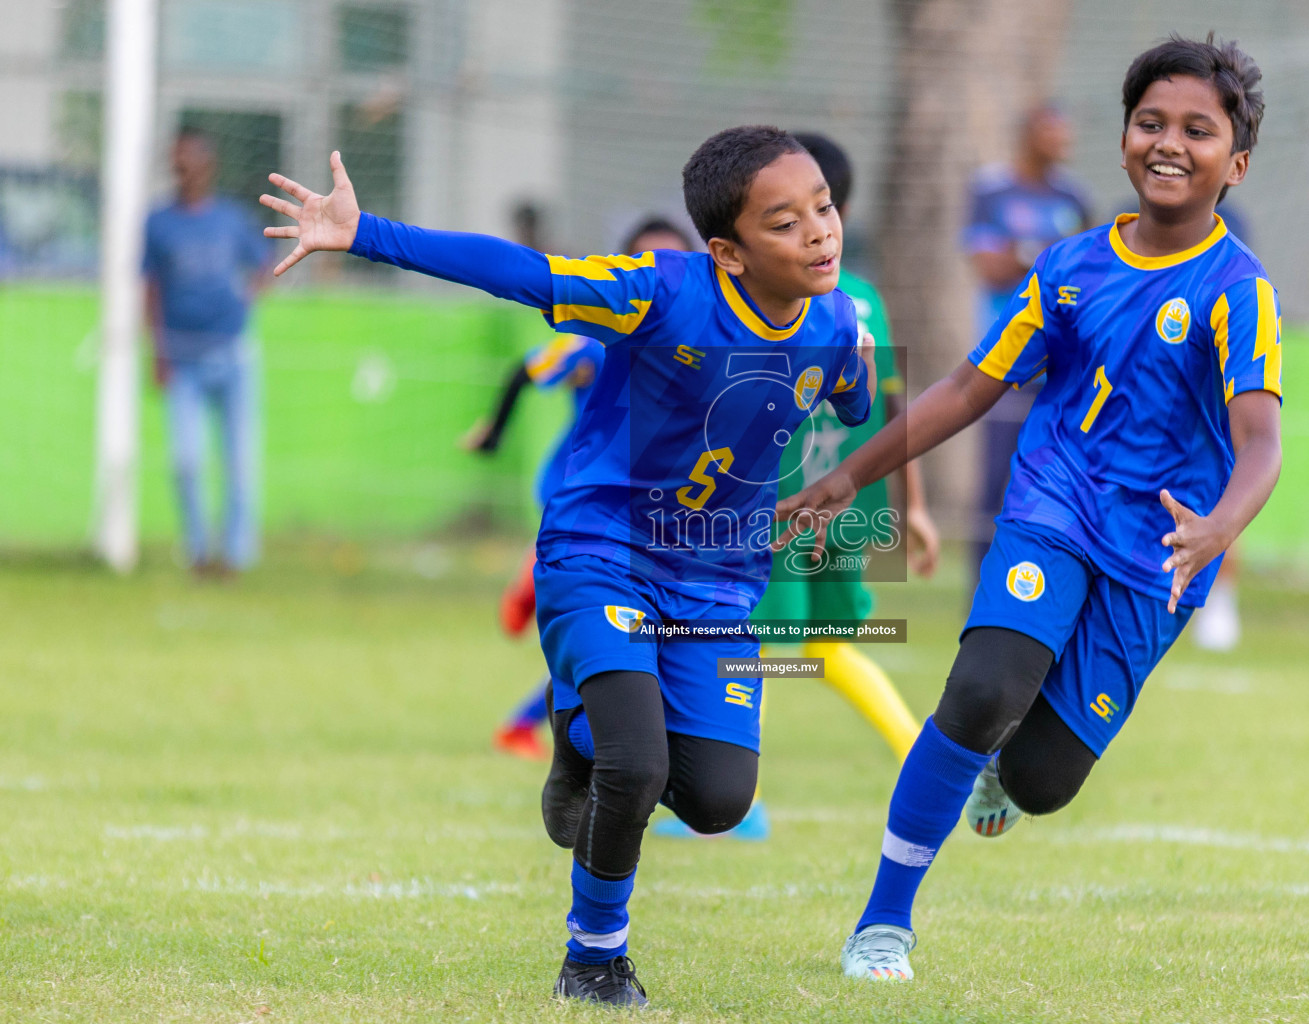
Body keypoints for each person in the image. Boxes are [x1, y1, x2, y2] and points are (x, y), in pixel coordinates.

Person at [261, 126, 874, 1007]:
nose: (819, 232)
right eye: (786, 223)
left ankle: (572, 731)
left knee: (719, 800)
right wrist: (366, 234)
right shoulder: (660, 294)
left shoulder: (836, 316)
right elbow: (523, 272)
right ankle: (595, 957)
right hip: (603, 550)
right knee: (640, 763)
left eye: (823, 209)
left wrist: (851, 393)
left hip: (716, 581)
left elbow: (845, 395)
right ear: (727, 254)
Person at [776, 36, 1282, 982]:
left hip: (1161, 554)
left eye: (1197, 130)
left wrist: (1220, 527)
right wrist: (854, 473)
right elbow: (970, 388)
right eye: (1150, 122)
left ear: (1235, 162)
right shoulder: (1068, 267)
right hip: (1057, 503)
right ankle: (883, 924)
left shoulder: (1239, 290)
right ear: (1125, 138)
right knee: (977, 691)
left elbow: (1262, 444)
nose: (1168, 143)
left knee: (1045, 782)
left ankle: (1010, 772)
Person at [653, 132, 940, 842]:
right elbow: (894, 406)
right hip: (856, 488)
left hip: (780, 488)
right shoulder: (864, 294)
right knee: (825, 643)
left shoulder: (773, 287)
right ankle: (923, 755)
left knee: (751, 632)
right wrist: (919, 506)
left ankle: (737, 803)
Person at [469, 218, 695, 760]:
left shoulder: (703, 337)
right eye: (647, 261)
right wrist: (493, 434)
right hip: (582, 500)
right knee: (629, 637)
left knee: (639, 639)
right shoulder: (599, 336)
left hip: (654, 511)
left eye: (675, 262)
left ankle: (536, 710)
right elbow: (528, 370)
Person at [965, 105, 1094, 579]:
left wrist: (1019, 252)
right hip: (1004, 363)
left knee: (1054, 479)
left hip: (1062, 364)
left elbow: (1085, 274)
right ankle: (979, 588)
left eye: (1067, 133)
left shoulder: (1074, 197)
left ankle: (1035, 580)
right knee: (994, 480)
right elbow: (987, 266)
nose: (1063, 141)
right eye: (1053, 131)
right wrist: (1042, 255)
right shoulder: (992, 189)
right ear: (1029, 134)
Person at [143, 128, 268, 575]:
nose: (183, 169)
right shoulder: (157, 222)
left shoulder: (231, 219)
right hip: (182, 358)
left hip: (233, 354)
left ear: (207, 164)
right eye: (176, 161)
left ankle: (234, 558)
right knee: (187, 461)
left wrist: (247, 296)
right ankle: (198, 552)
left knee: (240, 462)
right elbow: (150, 287)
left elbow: (265, 265)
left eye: (190, 159)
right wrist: (157, 352)